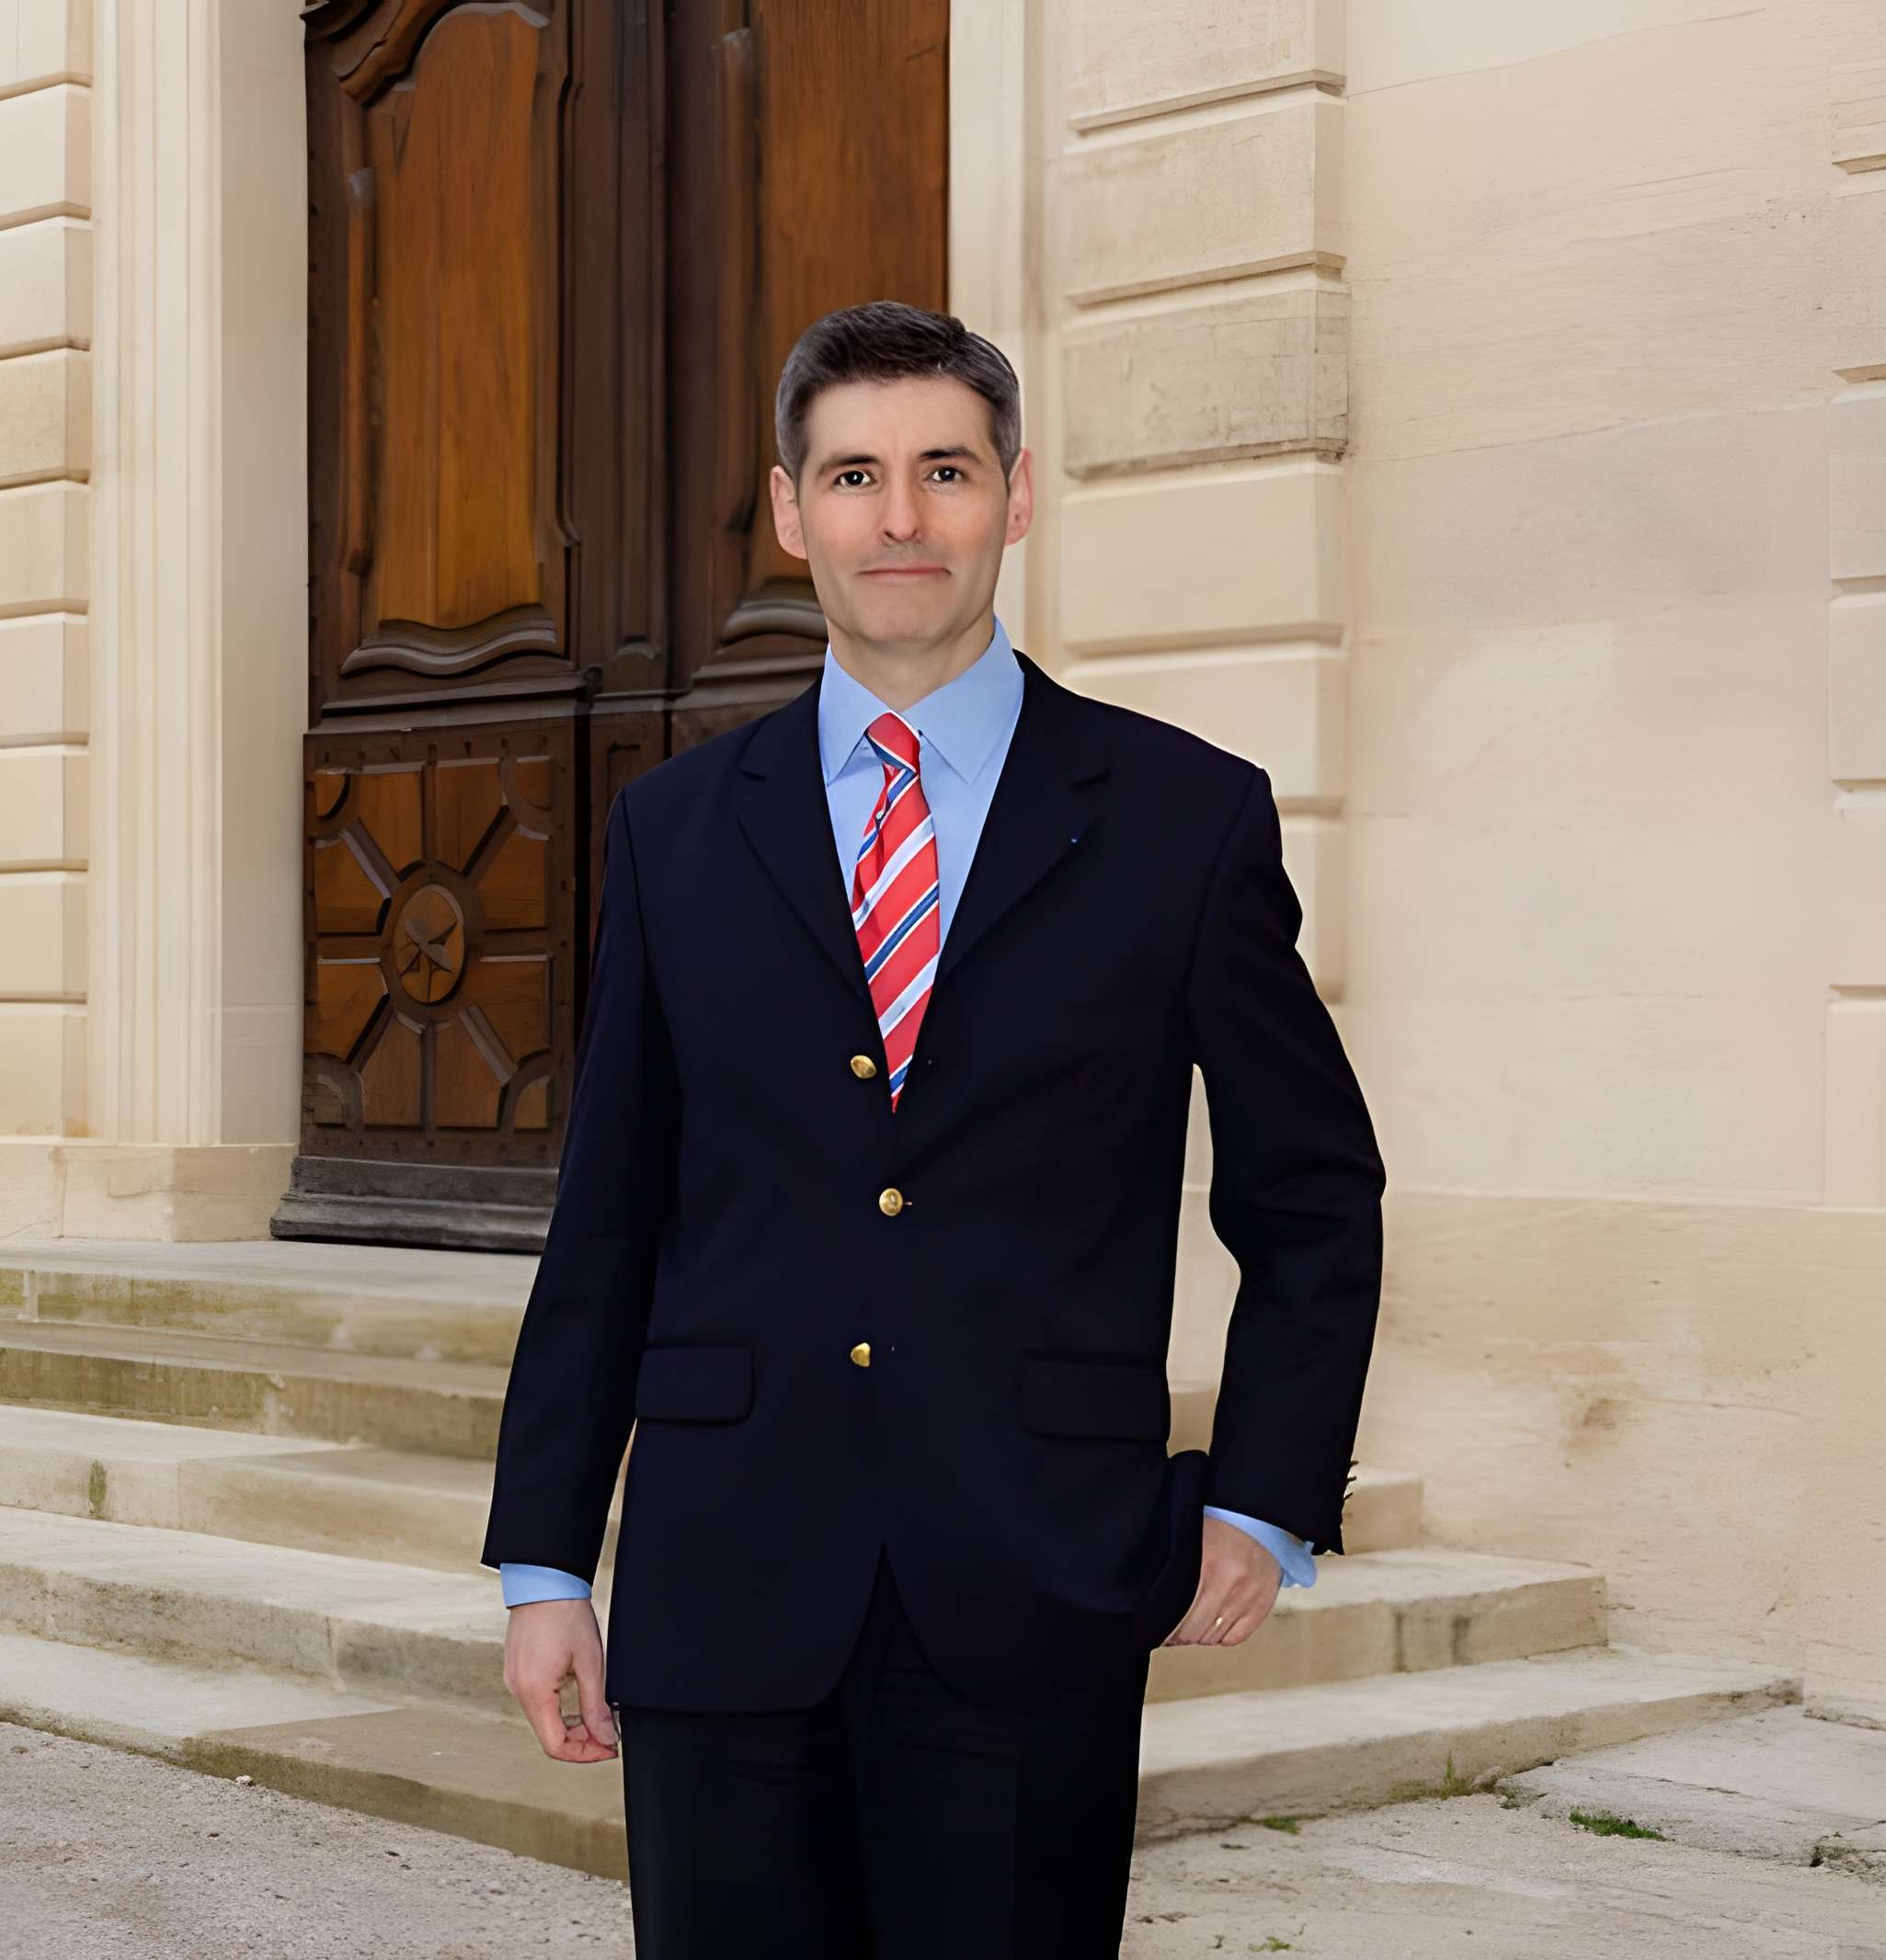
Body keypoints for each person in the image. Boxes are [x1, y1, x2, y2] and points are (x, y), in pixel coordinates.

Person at [479, 299, 1387, 1957]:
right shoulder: (677, 831)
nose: (900, 518)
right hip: (725, 1575)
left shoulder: (1185, 818)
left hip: (1037, 1576)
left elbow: (1313, 1192)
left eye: (945, 471)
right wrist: (546, 1563)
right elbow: (609, 1216)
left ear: (1014, 497)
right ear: (790, 510)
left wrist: (1264, 1498)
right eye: (854, 476)